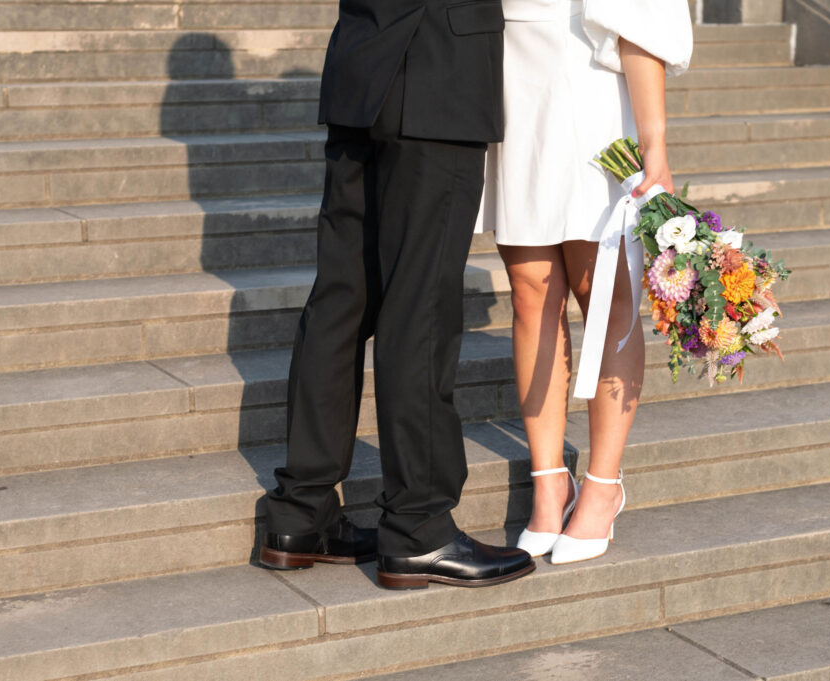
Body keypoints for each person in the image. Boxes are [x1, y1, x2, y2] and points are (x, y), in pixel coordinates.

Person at [260, 0, 535, 589]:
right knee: (420, 308)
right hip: (441, 74)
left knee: (340, 300)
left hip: (362, 67)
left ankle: (300, 513)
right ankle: (419, 528)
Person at [476, 0, 693, 564]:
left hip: (590, 90)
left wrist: (655, 148)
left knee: (604, 293)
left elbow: (640, 21)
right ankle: (550, 482)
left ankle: (603, 483)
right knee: (529, 293)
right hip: (511, 84)